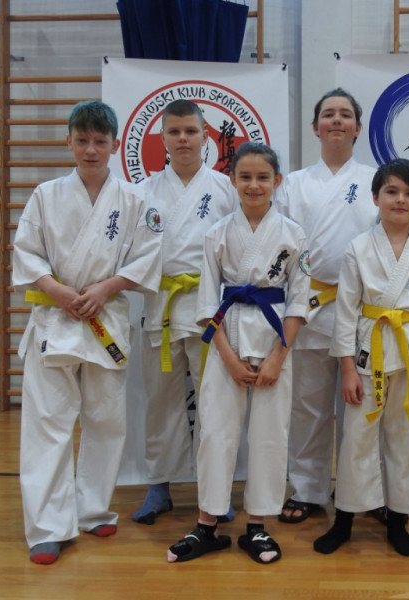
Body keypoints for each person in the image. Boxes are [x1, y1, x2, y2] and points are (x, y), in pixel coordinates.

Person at [12, 100, 163, 565]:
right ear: (68, 142)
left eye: (100, 141)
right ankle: (47, 527)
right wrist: (57, 291)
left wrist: (105, 289)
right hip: (55, 319)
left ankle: (93, 508)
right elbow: (26, 252)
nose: (91, 150)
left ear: (115, 144)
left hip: (105, 319)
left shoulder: (135, 200)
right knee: (48, 423)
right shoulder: (46, 195)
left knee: (106, 419)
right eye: (82, 141)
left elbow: (148, 256)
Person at [166, 142, 310, 565]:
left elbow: (299, 302)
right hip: (225, 338)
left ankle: (258, 525)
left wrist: (278, 357)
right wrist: (227, 357)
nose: (253, 185)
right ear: (232, 181)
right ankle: (206, 524)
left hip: (274, 338)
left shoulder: (293, 234)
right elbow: (207, 303)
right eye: (245, 177)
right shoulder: (217, 233)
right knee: (215, 431)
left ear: (277, 181)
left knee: (269, 434)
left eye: (263, 177)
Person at [313, 158, 409, 557]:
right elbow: (345, 311)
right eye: (391, 191)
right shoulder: (358, 247)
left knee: (408, 437)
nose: (400, 200)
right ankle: (344, 519)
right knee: (357, 438)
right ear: (375, 198)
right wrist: (346, 369)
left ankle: (398, 520)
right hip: (367, 353)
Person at [275, 88, 379, 525]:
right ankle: (307, 489)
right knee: (308, 405)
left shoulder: (377, 180)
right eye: (329, 114)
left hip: (363, 308)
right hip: (310, 304)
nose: (337, 120)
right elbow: (281, 244)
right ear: (315, 127)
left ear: (358, 127)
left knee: (362, 406)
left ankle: (363, 492)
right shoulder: (293, 184)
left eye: (345, 115)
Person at [132, 99, 237, 526]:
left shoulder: (226, 188)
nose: (182, 139)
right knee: (160, 400)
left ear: (205, 135)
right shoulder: (142, 191)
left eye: (191, 131)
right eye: (174, 132)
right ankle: (159, 485)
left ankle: (217, 490)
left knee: (214, 401)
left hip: (208, 308)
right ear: (162, 138)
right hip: (160, 306)